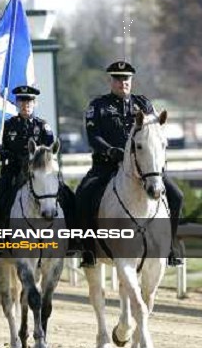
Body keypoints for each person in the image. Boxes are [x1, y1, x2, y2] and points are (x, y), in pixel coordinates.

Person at [76, 60, 183, 267]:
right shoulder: (98, 105)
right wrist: (110, 150)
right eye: (117, 79)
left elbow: (154, 132)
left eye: (126, 79)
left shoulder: (143, 104)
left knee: (176, 196)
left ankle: (170, 246)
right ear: (111, 81)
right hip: (107, 166)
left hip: (142, 168)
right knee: (84, 194)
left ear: (131, 81)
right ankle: (87, 248)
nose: (122, 82)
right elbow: (93, 137)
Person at [0, 85, 77, 238]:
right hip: (14, 172)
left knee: (67, 196)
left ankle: (74, 238)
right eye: (22, 102)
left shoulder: (42, 126)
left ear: (34, 103)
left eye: (29, 102)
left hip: (40, 173)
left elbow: (50, 149)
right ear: (17, 103)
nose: (26, 105)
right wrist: (6, 153)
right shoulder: (7, 125)